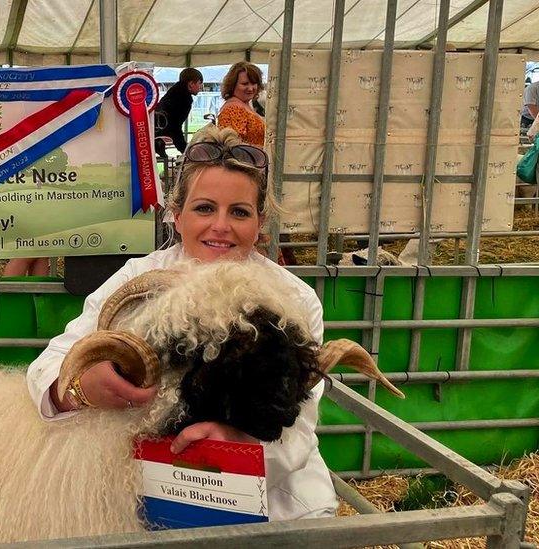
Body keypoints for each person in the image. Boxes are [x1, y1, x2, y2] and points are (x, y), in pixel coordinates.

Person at [26, 125, 338, 521]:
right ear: (176, 214)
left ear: (260, 223)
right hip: (146, 481)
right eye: (204, 208)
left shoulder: (290, 300)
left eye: (239, 212)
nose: (220, 226)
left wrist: (238, 443)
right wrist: (80, 387)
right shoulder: (136, 280)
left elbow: (300, 419)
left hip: (269, 493)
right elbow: (50, 365)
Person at [154, 68, 203, 156]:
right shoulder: (185, 99)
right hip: (160, 132)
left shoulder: (173, 92)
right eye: (200, 83)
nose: (201, 87)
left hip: (154, 131)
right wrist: (185, 150)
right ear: (191, 84)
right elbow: (175, 126)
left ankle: (159, 144)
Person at [217, 62, 265, 147]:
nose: (250, 88)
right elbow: (233, 147)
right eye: (244, 84)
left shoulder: (244, 105)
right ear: (233, 85)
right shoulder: (233, 109)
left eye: (253, 83)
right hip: (246, 159)